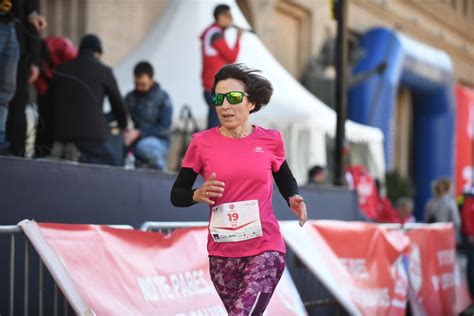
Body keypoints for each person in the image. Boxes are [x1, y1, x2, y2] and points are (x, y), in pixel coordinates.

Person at [170, 64, 308, 315]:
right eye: (218, 99)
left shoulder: (270, 140)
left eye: (233, 98)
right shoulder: (201, 143)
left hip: (265, 247)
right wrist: (195, 195)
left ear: (251, 104)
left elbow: (284, 176)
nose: (225, 106)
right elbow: (176, 194)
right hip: (223, 253)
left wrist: (293, 196)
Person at [46, 34, 128, 165]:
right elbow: (118, 105)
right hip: (90, 138)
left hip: (60, 135)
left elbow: (47, 104)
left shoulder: (61, 69)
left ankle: (68, 150)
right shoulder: (104, 71)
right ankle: (77, 153)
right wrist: (123, 125)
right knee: (115, 164)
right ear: (98, 53)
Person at [0, 0, 45, 154]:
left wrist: (35, 60)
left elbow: (32, 12)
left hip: (13, 31)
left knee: (8, 95)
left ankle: (7, 146)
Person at [200, 4, 243, 129]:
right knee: (216, 127)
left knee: (214, 125)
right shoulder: (215, 34)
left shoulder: (212, 32)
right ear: (220, 17)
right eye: (229, 16)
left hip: (211, 86)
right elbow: (231, 56)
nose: (231, 20)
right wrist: (238, 38)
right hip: (213, 86)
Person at [124, 61, 173, 170]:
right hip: (135, 141)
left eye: (143, 84)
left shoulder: (163, 98)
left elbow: (164, 127)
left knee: (144, 146)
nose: (139, 87)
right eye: (137, 84)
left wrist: (139, 132)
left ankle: (163, 172)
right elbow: (118, 114)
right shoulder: (130, 97)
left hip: (159, 141)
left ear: (152, 80)